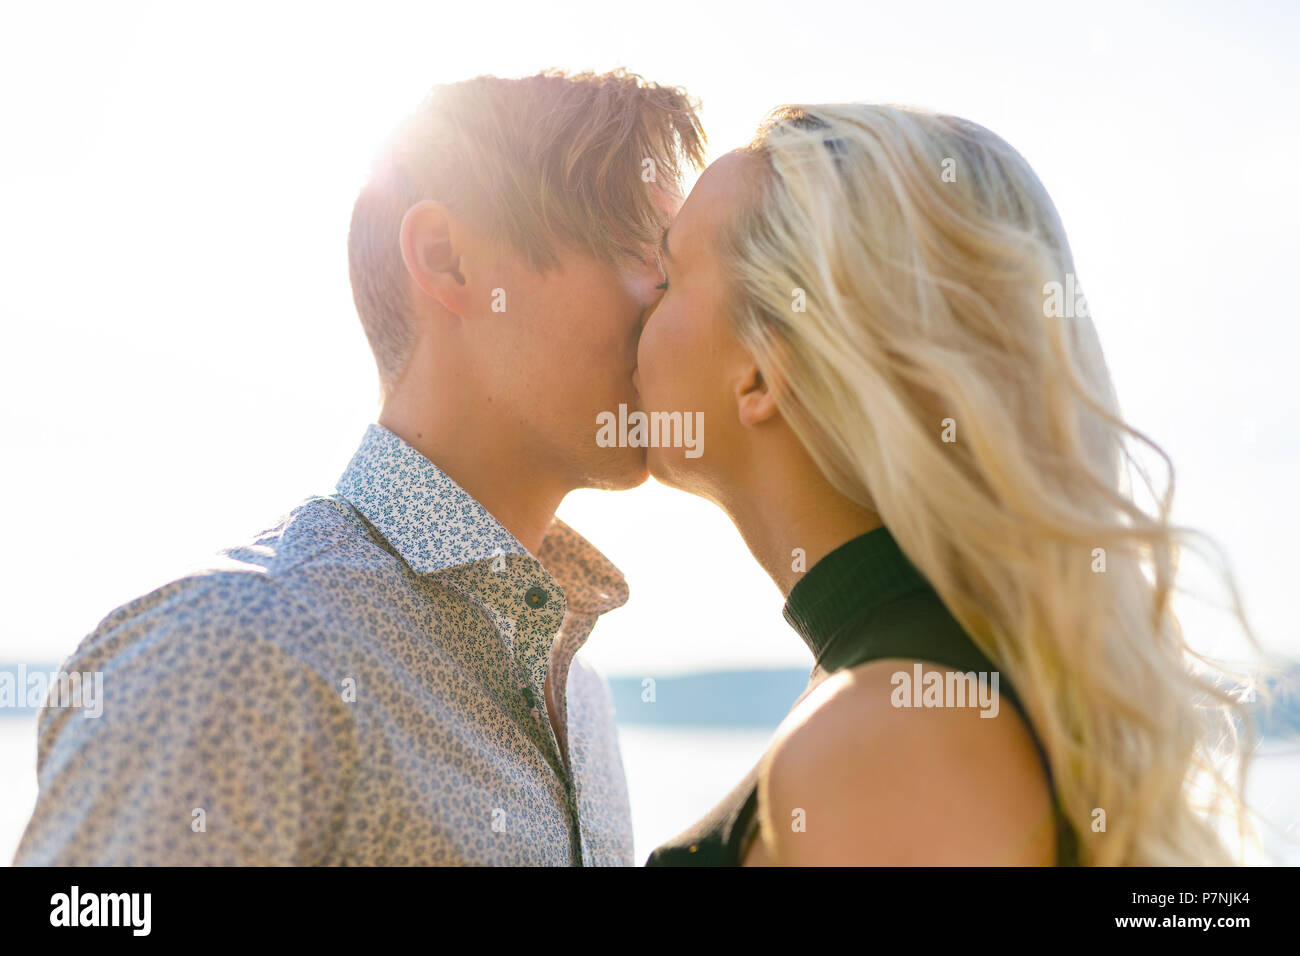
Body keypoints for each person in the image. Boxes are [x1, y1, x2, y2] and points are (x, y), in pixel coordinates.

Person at [13, 68, 705, 866]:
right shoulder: (230, 655)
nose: (673, 311)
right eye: (647, 257)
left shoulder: (581, 702)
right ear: (447, 259)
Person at [636, 103, 1261, 866]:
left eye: (668, 276)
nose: (638, 301)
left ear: (763, 371)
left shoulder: (887, 739)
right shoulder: (907, 687)